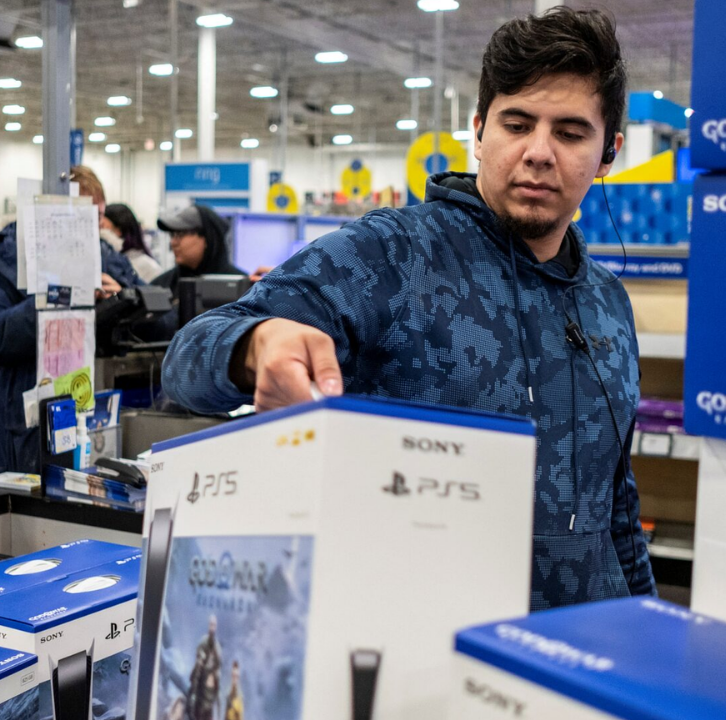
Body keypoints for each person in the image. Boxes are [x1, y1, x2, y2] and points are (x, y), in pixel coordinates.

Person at [160, 7, 653, 610]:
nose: (538, 152)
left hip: (578, 647)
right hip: (418, 640)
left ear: (608, 153)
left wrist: (645, 626)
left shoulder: (607, 301)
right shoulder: (393, 254)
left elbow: (616, 507)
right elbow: (187, 357)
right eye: (517, 124)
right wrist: (256, 345)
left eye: (571, 133)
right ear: (480, 131)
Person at [0, 210, 142, 475]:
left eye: (98, 212)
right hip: (19, 426)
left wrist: (124, 299)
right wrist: (57, 299)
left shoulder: (107, 259)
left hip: (88, 412)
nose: (93, 220)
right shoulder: (2, 264)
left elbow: (163, 316)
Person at [69, 166, 144, 289]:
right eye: (83, 214)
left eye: (98, 216)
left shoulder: (110, 256)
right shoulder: (39, 259)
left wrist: (121, 295)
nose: (91, 223)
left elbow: (152, 296)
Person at [151, 205, 245, 294]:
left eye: (180, 234)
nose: (173, 243)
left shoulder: (242, 288)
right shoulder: (160, 287)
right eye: (172, 235)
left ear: (207, 239)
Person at [103, 203, 163, 283]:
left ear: (119, 230)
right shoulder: (109, 262)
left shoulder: (148, 266)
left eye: (103, 227)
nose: (100, 232)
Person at [187, 615, 222, 720]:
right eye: (211, 624)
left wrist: (217, 695)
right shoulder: (203, 643)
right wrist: (194, 693)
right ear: (208, 625)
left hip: (209, 693)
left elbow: (217, 670)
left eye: (214, 625)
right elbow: (197, 669)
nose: (212, 627)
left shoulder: (217, 648)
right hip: (200, 689)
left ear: (216, 626)